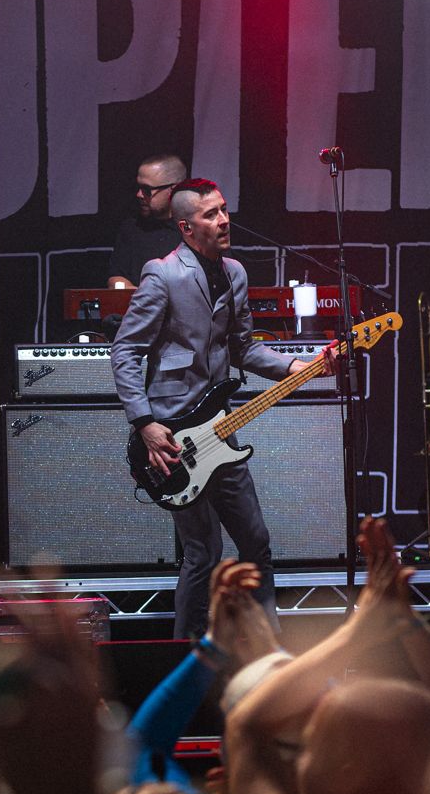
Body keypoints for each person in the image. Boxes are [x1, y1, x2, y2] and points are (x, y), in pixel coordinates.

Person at [110, 179, 324, 638]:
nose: (224, 220)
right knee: (202, 554)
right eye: (211, 215)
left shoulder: (235, 272)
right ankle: (184, 656)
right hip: (170, 436)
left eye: (224, 210)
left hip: (219, 430)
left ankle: (266, 649)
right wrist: (144, 422)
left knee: (256, 543)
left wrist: (296, 366)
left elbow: (244, 349)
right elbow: (126, 352)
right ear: (186, 227)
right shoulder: (162, 274)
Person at [107, 154, 187, 288]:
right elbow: (115, 279)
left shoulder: (195, 230)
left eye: (147, 190)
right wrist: (142, 297)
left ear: (174, 189)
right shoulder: (131, 229)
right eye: (138, 187)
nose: (139, 194)